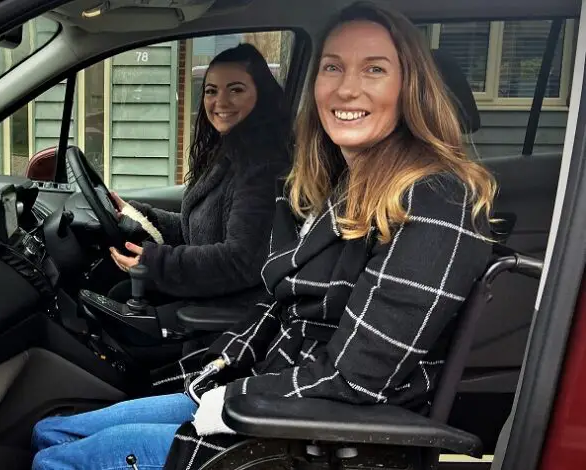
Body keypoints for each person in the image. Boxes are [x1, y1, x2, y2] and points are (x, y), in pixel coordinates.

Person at [31, 2, 497, 469]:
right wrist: (217, 371)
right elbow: (282, 308)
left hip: (312, 436)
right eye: (332, 67)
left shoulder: (437, 200)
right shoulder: (343, 184)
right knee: (51, 431)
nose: (347, 88)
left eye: (374, 69)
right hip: (271, 393)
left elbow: (356, 381)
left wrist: (230, 400)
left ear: (410, 85)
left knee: (59, 462)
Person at [105, 43, 292, 318]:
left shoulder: (262, 165)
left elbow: (242, 260)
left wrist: (156, 263)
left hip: (228, 312)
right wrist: (139, 216)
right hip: (208, 291)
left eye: (236, 90)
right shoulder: (229, 150)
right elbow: (198, 230)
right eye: (211, 91)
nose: (220, 102)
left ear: (261, 94)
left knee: (117, 305)